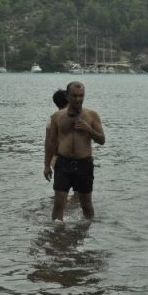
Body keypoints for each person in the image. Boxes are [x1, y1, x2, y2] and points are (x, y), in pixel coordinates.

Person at [43, 81, 106, 220]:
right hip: (63, 163)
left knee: (86, 205)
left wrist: (88, 129)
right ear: (67, 96)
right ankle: (57, 234)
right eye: (74, 96)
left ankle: (87, 235)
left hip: (84, 163)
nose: (78, 99)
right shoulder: (57, 117)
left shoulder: (92, 115)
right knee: (58, 204)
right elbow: (51, 143)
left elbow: (102, 140)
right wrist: (47, 165)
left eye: (81, 95)